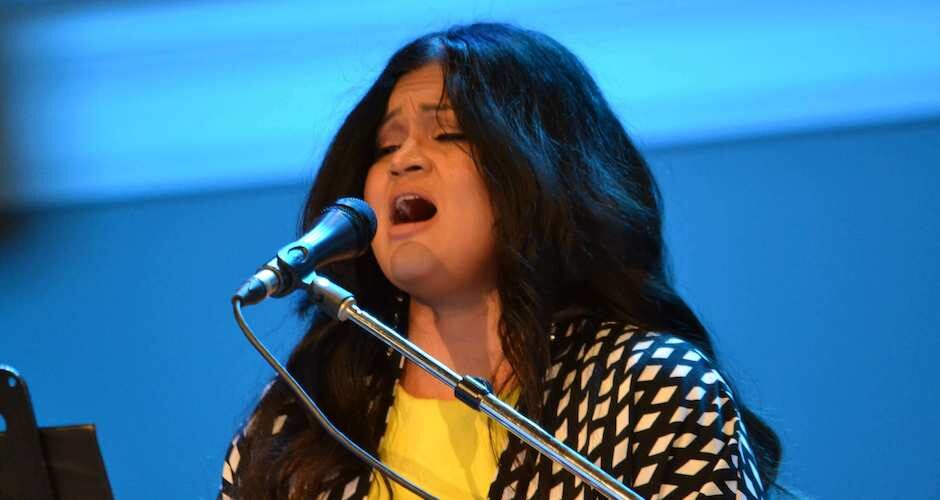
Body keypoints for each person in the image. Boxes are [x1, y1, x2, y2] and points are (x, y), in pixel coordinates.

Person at [220, 23, 781, 499]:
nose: (404, 161)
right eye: (386, 147)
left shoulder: (648, 390)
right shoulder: (303, 416)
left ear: (543, 174)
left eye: (448, 134)